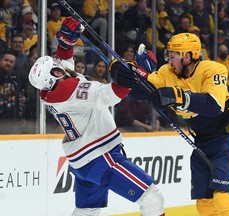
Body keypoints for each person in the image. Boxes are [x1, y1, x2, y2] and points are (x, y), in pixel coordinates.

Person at [28, 16, 165, 216]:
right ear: (56, 74)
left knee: (87, 212)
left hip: (82, 162)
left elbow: (65, 63)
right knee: (152, 198)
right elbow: (109, 95)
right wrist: (137, 74)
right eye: (57, 65)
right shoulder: (71, 89)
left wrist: (66, 41)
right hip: (100, 156)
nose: (62, 63)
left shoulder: (49, 91)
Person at [110, 33, 229, 215]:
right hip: (201, 144)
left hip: (226, 141)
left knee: (225, 200)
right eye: (168, 55)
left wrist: (178, 96)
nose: (168, 60)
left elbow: (214, 105)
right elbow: (143, 93)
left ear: (187, 56)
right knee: (205, 204)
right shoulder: (167, 72)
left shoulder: (213, 69)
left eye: (172, 56)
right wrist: (124, 74)